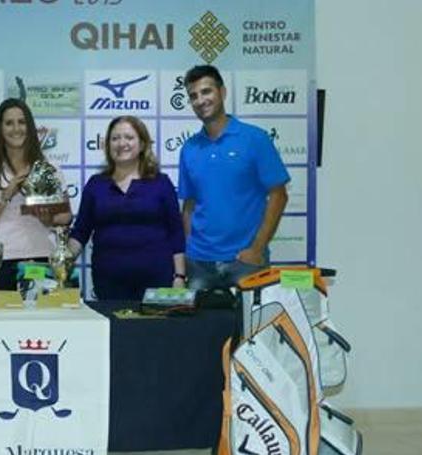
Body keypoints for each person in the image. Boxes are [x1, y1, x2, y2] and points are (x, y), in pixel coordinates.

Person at [178, 65, 290, 290]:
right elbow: (189, 205)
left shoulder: (255, 139)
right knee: (198, 326)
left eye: (206, 91)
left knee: (250, 326)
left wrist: (257, 248)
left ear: (223, 92)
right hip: (199, 264)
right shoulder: (189, 148)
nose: (201, 100)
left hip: (245, 263)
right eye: (193, 96)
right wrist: (188, 251)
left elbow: (279, 196)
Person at [69, 116, 186, 301]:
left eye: (129, 137)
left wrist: (179, 277)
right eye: (115, 138)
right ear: (107, 145)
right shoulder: (95, 185)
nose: (121, 143)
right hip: (109, 283)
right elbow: (80, 231)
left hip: (157, 281)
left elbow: (176, 233)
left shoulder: (161, 183)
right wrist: (61, 260)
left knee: (157, 331)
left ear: (142, 144)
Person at [0, 98, 71, 290]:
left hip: (43, 258)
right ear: (0, 129)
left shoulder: (49, 169)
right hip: (0, 262)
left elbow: (65, 217)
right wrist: (6, 194)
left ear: (30, 126)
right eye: (9, 123)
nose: (16, 128)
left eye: (22, 122)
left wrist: (47, 217)